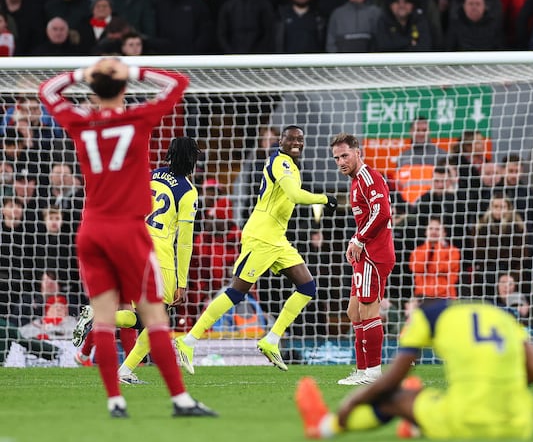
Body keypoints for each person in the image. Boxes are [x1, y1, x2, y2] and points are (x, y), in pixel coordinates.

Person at [38, 57, 215, 417]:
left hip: (92, 231)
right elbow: (177, 83)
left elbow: (46, 90)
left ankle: (114, 401)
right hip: (129, 230)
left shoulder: (80, 121)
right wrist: (132, 71)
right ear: (122, 87)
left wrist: (80, 74)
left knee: (104, 320)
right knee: (155, 318)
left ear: (92, 90)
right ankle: (181, 400)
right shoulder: (137, 119)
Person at [174, 126, 337, 373]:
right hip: (261, 237)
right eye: (291, 138)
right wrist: (325, 199)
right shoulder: (280, 162)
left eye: (300, 139)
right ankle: (188, 341)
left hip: (277, 239)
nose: (296, 142)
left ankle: (271, 340)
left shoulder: (291, 164)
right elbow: (294, 194)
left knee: (307, 287)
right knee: (237, 292)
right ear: (280, 141)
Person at [295, 298, 533, 440]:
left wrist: (350, 404)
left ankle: (325, 426)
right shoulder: (502, 316)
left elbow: (391, 380)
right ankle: (415, 425)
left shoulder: (429, 316)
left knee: (392, 399)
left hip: (467, 422)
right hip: (519, 424)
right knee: (428, 397)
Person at [114, 137, 201, 384]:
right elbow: (184, 243)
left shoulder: (152, 175)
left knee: (142, 319)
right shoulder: (187, 192)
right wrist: (181, 282)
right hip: (158, 255)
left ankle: (99, 319)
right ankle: (125, 370)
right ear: (192, 158)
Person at [330, 133, 395, 385]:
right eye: (336, 158)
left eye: (344, 155)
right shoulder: (355, 181)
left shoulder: (369, 177)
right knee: (353, 311)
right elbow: (369, 217)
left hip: (375, 254)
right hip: (364, 253)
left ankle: (373, 373)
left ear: (358, 152)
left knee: (368, 309)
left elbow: (382, 213)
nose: (340, 162)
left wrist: (359, 240)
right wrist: (354, 240)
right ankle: (361, 371)